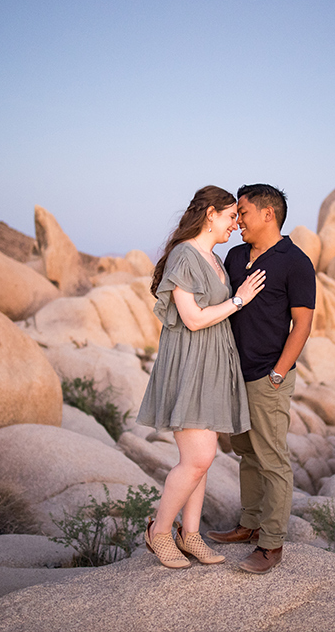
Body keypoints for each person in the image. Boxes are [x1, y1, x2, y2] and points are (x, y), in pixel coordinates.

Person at [136, 185, 266, 569]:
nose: (235, 223)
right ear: (210, 214)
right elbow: (192, 319)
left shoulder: (213, 257)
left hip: (212, 364)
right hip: (190, 362)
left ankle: (190, 535)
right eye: (230, 216)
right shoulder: (184, 255)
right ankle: (159, 531)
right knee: (198, 457)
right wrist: (239, 299)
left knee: (203, 459)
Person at [208, 183, 316, 574]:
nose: (238, 221)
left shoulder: (295, 262)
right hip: (233, 377)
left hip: (267, 377)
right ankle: (249, 525)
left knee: (272, 460)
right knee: (247, 453)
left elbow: (302, 325)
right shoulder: (237, 255)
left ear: (268, 214)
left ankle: (271, 545)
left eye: (244, 212)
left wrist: (278, 373)